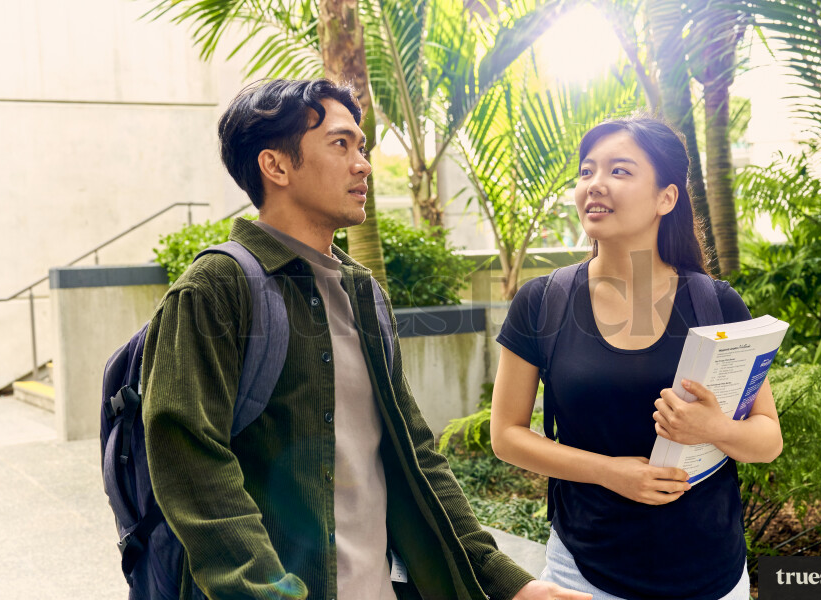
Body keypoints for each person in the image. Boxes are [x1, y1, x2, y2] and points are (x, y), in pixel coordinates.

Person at [141, 78, 592, 600]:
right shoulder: (215, 289)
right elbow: (189, 461)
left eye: (362, 146)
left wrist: (506, 583)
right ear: (277, 166)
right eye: (340, 144)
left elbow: (414, 455)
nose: (363, 164)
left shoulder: (362, 291)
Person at [490, 117, 783, 600]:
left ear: (666, 198)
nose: (595, 184)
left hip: (712, 575)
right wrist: (610, 472)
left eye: (619, 171)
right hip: (583, 572)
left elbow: (767, 438)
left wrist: (716, 429)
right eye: (587, 171)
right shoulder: (543, 301)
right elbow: (507, 436)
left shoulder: (716, 305)